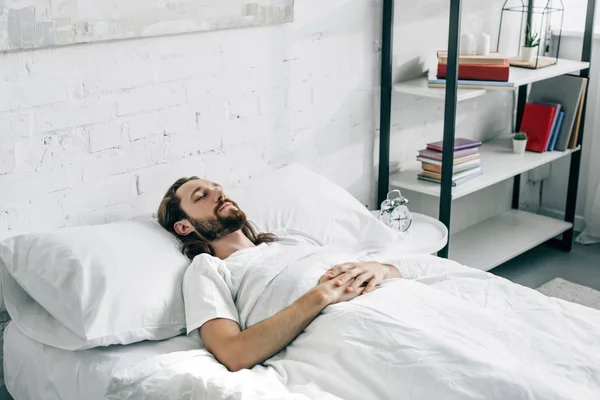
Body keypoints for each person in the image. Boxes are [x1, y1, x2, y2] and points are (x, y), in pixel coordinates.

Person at [157, 176, 402, 372]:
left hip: (396, 303)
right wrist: (320, 296)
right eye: (201, 196)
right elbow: (232, 353)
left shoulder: (289, 237)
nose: (219, 193)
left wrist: (379, 268)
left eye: (217, 187)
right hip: (354, 331)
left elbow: (395, 273)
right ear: (184, 226)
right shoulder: (208, 269)